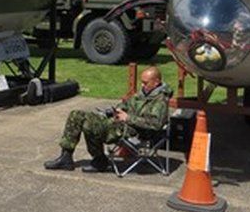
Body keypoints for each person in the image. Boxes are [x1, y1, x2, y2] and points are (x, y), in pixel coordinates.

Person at [44, 66, 172, 172]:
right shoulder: (143, 94)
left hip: (134, 132)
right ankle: (66, 157)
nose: (142, 86)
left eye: (146, 83)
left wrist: (128, 118)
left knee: (90, 125)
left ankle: (100, 160)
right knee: (76, 114)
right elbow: (126, 105)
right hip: (120, 124)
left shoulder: (160, 100)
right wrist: (116, 111)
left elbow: (156, 124)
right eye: (142, 82)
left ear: (156, 82)